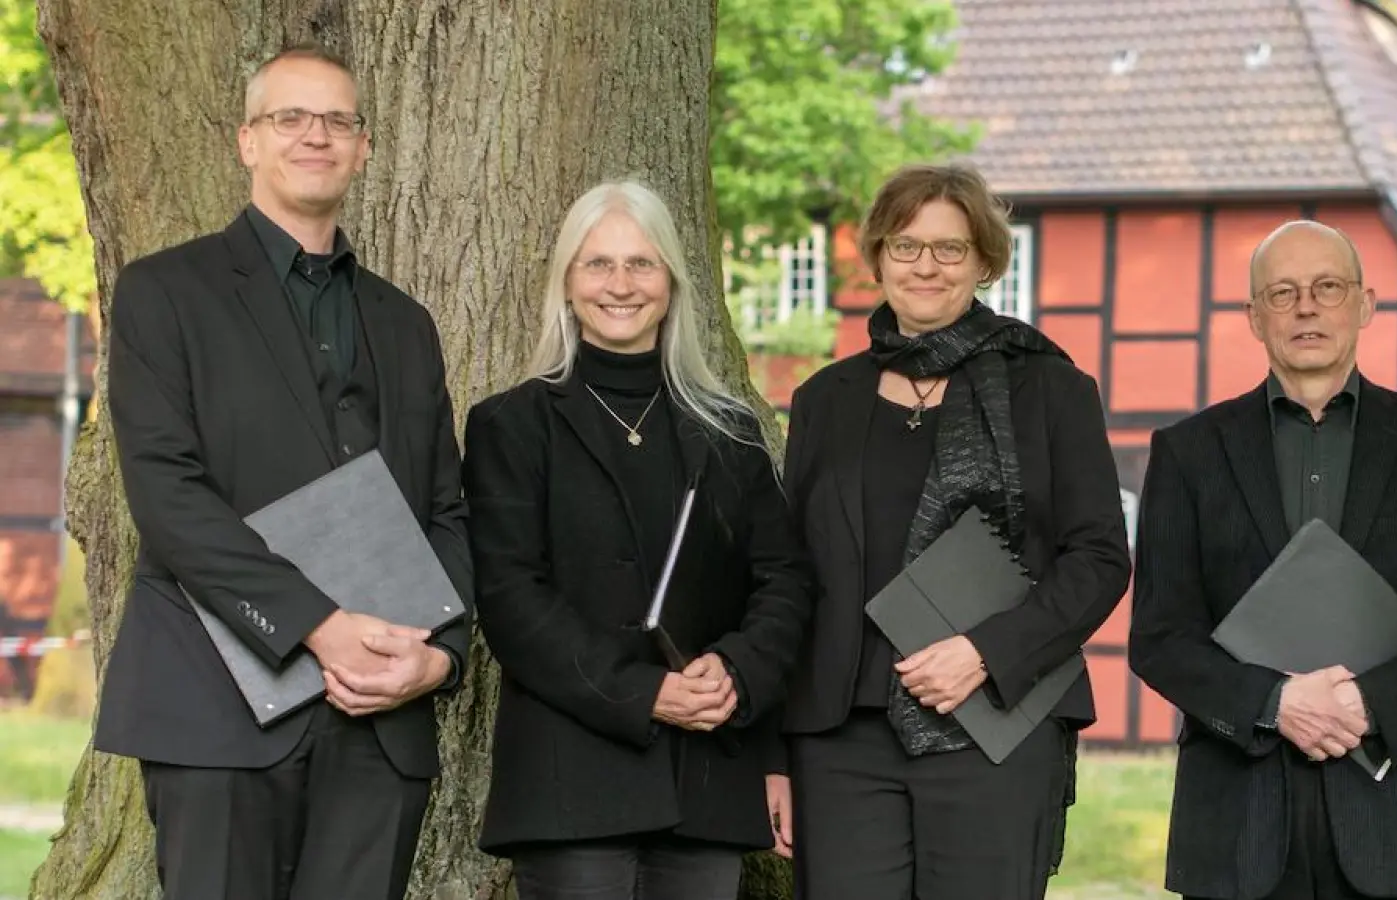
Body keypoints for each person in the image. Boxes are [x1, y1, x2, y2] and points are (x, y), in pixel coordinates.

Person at [93, 45, 474, 900]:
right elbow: (168, 497)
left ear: (364, 147)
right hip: (215, 707)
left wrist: (439, 659)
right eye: (290, 118)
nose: (317, 136)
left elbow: (445, 510)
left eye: (338, 120)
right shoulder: (165, 292)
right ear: (247, 142)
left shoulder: (405, 323)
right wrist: (318, 624)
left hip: (383, 719)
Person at [1128, 220, 1397, 900]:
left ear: (1365, 305)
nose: (1306, 306)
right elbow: (1160, 637)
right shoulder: (1186, 453)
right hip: (1235, 827)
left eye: (1327, 287)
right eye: (1282, 292)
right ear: (1254, 317)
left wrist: (1367, 704)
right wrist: (1275, 704)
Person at [774, 163, 1132, 900]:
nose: (926, 267)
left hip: (995, 721)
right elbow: (788, 579)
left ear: (984, 262)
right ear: (876, 257)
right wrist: (772, 757)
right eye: (906, 247)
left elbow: (1098, 557)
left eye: (950, 249)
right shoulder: (824, 401)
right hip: (840, 741)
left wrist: (984, 652)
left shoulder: (1051, 390)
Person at [463, 179, 813, 900]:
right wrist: (643, 693)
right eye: (598, 264)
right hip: (571, 784)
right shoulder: (512, 425)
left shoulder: (731, 433)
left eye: (641, 264)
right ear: (567, 281)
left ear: (673, 282)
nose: (620, 284)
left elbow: (785, 581)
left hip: (706, 783)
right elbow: (509, 597)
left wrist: (738, 671)